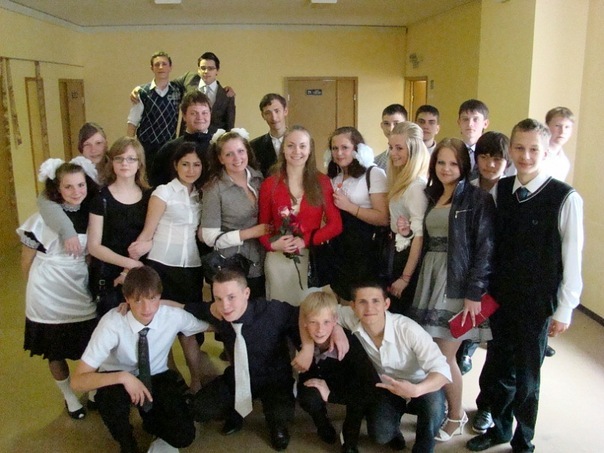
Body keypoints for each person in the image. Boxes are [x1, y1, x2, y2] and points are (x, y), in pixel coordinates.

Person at [467, 119, 583, 453]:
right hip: (501, 298)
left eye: (534, 149)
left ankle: (523, 439)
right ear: (511, 149)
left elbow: (572, 257)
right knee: (499, 368)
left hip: (536, 302)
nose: (526, 156)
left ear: (546, 152)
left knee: (527, 377)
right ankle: (500, 429)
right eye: (519, 147)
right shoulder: (502, 190)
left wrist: (565, 308)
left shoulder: (564, 197)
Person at [407, 138, 496, 442]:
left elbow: (485, 249)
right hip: (429, 278)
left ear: (464, 166)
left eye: (453, 163)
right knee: (430, 354)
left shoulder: (477, 198)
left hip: (456, 283)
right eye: (441, 162)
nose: (446, 169)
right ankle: (438, 410)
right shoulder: (432, 195)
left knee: (446, 357)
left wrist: (474, 292)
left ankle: (456, 416)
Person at [71, 266, 209, 453]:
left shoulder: (172, 316)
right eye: (138, 300)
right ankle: (127, 443)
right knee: (112, 403)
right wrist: (123, 377)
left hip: (156, 374)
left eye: (152, 298)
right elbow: (78, 381)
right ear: (126, 299)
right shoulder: (112, 323)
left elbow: (207, 325)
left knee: (184, 435)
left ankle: (152, 425)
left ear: (160, 296)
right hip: (117, 376)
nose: (147, 308)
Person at [186, 268, 301, 451]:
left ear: (246, 293)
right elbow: (184, 307)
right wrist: (152, 304)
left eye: (231, 297)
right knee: (200, 408)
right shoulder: (218, 312)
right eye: (218, 299)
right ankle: (235, 411)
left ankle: (277, 425)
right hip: (238, 376)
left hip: (274, 378)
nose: (225, 306)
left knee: (280, 414)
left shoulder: (271, 311)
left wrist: (308, 346)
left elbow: (306, 315)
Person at [18, 159, 98, 420]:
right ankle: (69, 396)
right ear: (57, 189)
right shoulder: (42, 219)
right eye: (68, 187)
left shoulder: (92, 214)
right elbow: (26, 260)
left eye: (80, 185)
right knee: (55, 351)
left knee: (91, 344)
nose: (76, 192)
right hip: (47, 293)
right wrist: (33, 291)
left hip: (79, 288)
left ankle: (93, 389)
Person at [127, 142, 206, 393]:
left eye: (196, 165)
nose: (191, 170)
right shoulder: (163, 192)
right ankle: (172, 376)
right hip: (161, 265)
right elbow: (147, 233)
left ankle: (196, 381)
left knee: (188, 326)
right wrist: (130, 267)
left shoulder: (201, 195)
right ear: (175, 165)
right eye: (185, 164)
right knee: (161, 324)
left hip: (191, 268)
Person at [337, 282, 451, 453]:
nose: (369, 308)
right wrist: (335, 330)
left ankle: (424, 447)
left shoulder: (409, 330)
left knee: (433, 406)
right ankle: (395, 429)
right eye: (362, 302)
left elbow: (442, 371)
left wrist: (416, 390)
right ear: (353, 306)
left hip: (421, 385)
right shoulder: (351, 317)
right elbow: (317, 310)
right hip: (388, 387)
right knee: (381, 436)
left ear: (386, 304)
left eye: (375, 301)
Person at [258, 125, 342, 306]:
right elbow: (263, 226)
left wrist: (306, 240)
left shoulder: (322, 182)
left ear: (310, 150)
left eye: (302, 146)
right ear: (283, 149)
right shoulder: (269, 184)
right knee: (279, 312)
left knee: (310, 312)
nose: (297, 151)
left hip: (311, 259)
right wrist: (272, 244)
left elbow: (335, 225)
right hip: (278, 260)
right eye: (291, 145)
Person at [297, 291, 379, 453]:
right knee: (307, 396)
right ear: (304, 322)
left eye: (326, 322)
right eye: (313, 322)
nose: (320, 329)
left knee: (360, 402)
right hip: (317, 381)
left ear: (335, 321)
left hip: (350, 387)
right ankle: (322, 423)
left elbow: (369, 385)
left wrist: (331, 396)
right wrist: (306, 348)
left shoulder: (350, 342)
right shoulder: (299, 333)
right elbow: (297, 311)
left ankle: (350, 439)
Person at [88, 137, 152, 316]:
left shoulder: (150, 196)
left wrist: (149, 245)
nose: (125, 163)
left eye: (131, 159)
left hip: (142, 274)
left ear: (139, 164)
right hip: (109, 274)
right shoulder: (101, 198)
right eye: (119, 158)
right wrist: (130, 264)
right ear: (112, 163)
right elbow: (94, 246)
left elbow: (157, 232)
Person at [200, 128, 268, 297]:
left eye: (240, 151)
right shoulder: (214, 189)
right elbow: (209, 237)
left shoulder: (259, 179)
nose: (237, 158)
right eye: (229, 154)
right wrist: (251, 233)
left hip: (262, 262)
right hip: (232, 266)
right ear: (220, 158)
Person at [326, 126, 388, 302]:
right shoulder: (335, 177)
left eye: (345, 147)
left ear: (357, 149)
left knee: (360, 300)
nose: (339, 153)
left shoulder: (373, 173)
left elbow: (383, 218)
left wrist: (350, 207)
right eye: (334, 148)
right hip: (339, 248)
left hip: (365, 250)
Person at [37, 122, 106, 257]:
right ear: (80, 148)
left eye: (98, 143)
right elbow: (45, 198)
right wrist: (68, 231)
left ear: (106, 144)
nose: (94, 149)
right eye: (87, 145)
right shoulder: (74, 170)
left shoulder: (117, 167)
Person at [384, 122, 430, 315]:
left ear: (413, 150)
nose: (393, 153)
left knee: (402, 317)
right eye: (391, 147)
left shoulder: (415, 187)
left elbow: (419, 237)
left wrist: (405, 277)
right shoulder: (403, 181)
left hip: (408, 258)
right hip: (397, 250)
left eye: (399, 148)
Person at [127, 51, 182, 174]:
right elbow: (133, 122)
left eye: (164, 64)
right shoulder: (142, 92)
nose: (161, 67)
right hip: (146, 147)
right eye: (157, 64)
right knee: (145, 179)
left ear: (170, 67)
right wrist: (129, 147)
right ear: (152, 68)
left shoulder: (178, 91)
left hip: (168, 147)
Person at [149, 91, 214, 187]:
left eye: (204, 113)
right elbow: (156, 183)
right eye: (194, 113)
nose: (200, 117)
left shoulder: (219, 146)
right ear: (184, 116)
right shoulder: (169, 149)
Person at [173, 51, 235, 131]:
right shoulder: (189, 80)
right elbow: (171, 86)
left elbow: (229, 126)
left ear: (217, 71)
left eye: (210, 68)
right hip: (188, 136)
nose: (206, 71)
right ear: (198, 70)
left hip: (214, 137)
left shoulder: (226, 95)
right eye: (203, 68)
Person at [250, 93, 288, 177]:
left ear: (285, 111)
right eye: (268, 113)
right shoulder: (254, 146)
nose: (274, 117)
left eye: (277, 111)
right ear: (263, 116)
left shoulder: (300, 141)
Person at [457, 99, 490, 177]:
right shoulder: (453, 151)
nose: (470, 124)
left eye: (476, 119)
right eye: (465, 119)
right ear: (459, 122)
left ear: (485, 123)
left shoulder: (492, 152)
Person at [544, 106, 575, 182]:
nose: (562, 131)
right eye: (558, 126)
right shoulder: (535, 153)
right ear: (547, 127)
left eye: (567, 127)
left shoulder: (564, 163)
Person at [374, 104, 408, 170]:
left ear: (406, 125)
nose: (391, 129)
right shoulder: (376, 162)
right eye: (386, 123)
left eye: (396, 124)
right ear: (381, 126)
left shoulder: (416, 157)